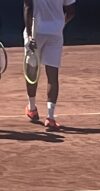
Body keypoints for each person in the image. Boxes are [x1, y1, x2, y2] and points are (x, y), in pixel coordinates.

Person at [23, 0, 75, 130]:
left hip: (35, 33)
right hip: (55, 33)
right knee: (53, 75)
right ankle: (50, 117)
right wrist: (59, 25)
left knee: (32, 72)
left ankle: (32, 108)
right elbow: (71, 11)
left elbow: (28, 8)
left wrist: (30, 36)